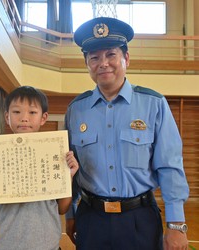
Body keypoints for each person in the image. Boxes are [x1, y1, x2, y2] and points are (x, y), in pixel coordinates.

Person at [64, 17, 189, 250]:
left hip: (140, 219)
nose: (103, 63)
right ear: (87, 64)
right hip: (91, 218)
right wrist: (70, 215)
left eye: (111, 54)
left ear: (126, 58)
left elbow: (170, 166)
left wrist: (176, 224)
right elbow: (67, 168)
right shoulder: (75, 111)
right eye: (94, 57)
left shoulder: (154, 104)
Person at [0, 86, 79, 250]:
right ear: (7, 117)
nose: (24, 118)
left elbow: (62, 208)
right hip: (2, 245)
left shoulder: (54, 154)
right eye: (17, 112)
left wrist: (69, 176)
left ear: (43, 117)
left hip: (47, 246)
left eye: (32, 113)